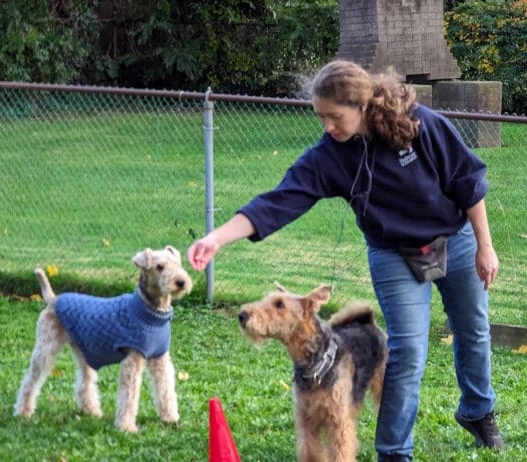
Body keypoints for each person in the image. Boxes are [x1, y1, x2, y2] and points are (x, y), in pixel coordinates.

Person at [187, 60, 504, 461]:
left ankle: (478, 412)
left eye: (334, 117)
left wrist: (484, 245)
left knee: (473, 330)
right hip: (394, 253)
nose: (327, 127)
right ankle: (394, 453)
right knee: (406, 351)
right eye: (321, 117)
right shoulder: (331, 155)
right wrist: (217, 238)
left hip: (454, 238)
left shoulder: (420, 123)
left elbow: (467, 181)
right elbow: (280, 200)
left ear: (363, 105)